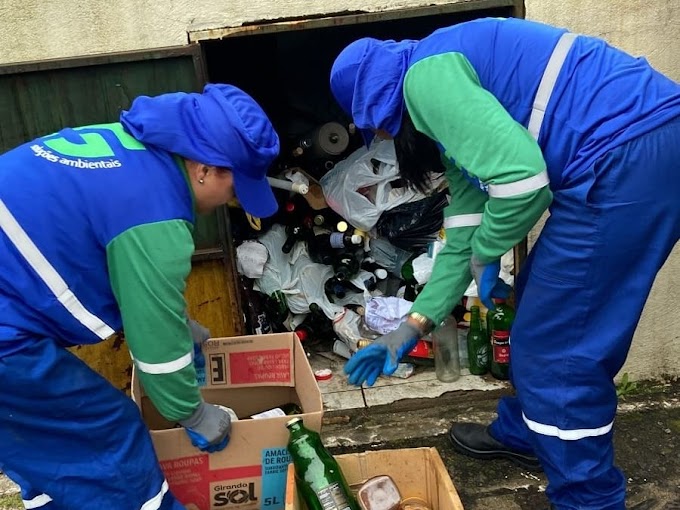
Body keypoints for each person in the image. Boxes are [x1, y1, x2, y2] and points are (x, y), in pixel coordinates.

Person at [331, 17, 680, 510]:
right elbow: (466, 226)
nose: (388, 136)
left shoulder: (425, 82)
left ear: (384, 104)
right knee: (540, 303)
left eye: (383, 126)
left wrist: (486, 250)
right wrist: (412, 325)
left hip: (625, 160)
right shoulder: (444, 80)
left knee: (558, 351)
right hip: (640, 149)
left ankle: (589, 499)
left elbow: (523, 184)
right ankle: (528, 431)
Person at [0, 83, 280, 509]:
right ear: (205, 168)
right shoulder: (157, 214)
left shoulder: (128, 148)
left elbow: (108, 251)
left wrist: (177, 321)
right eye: (234, 188)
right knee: (108, 435)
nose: (230, 201)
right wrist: (193, 413)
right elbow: (154, 348)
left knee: (51, 450)